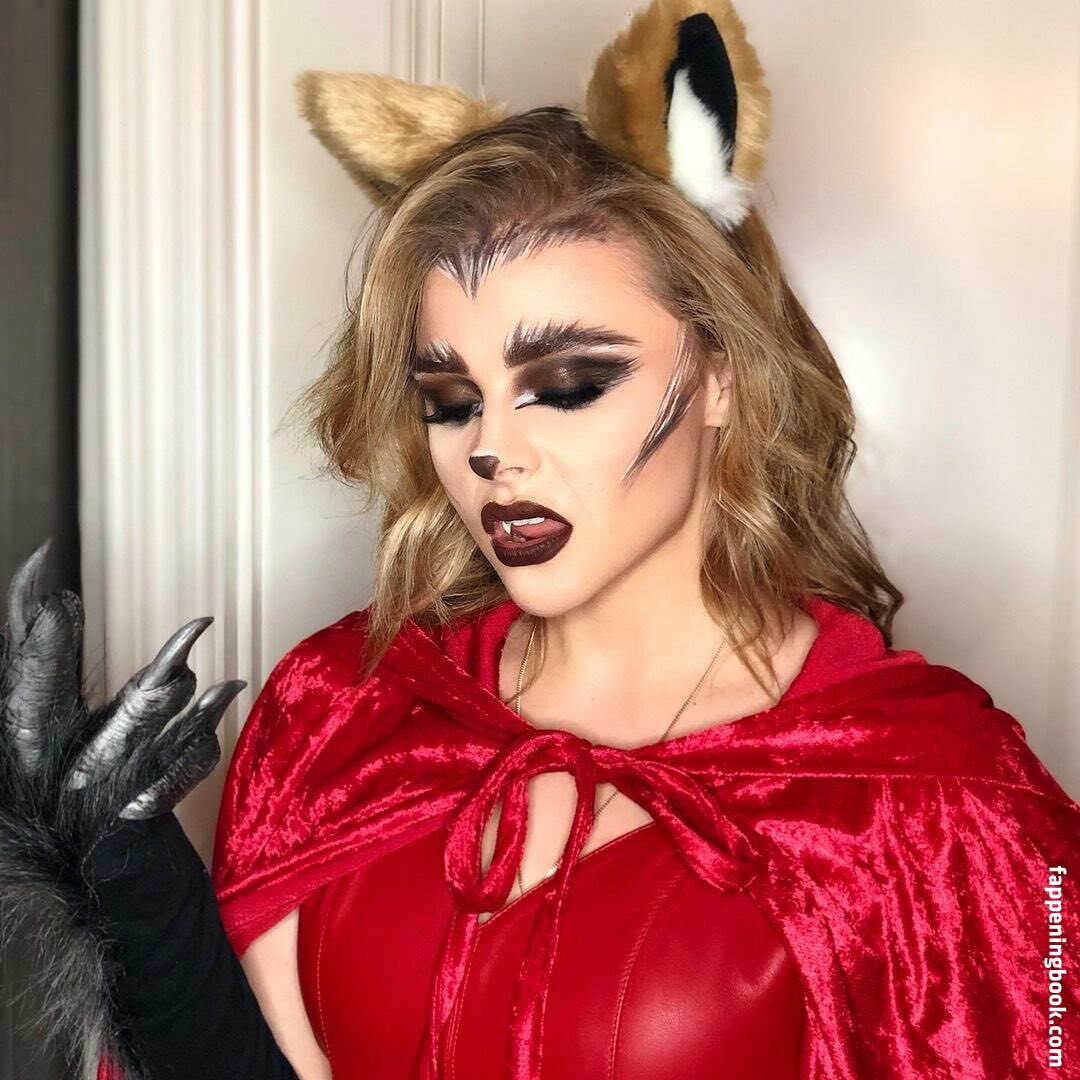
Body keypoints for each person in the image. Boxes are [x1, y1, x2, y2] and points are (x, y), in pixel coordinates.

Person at [0, 1, 1076, 1078]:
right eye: (450, 399)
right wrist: (137, 897)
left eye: (565, 385)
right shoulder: (343, 712)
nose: (490, 451)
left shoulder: (941, 796)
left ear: (723, 379)